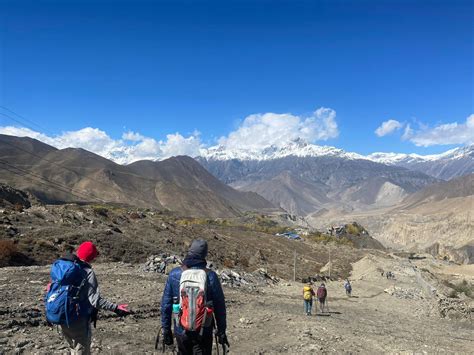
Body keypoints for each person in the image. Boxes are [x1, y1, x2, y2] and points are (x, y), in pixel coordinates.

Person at [46, 241, 130, 355]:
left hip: (60, 315)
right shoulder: (87, 271)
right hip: (77, 319)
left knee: (73, 347)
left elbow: (50, 288)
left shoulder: (61, 267)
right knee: (81, 350)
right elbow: (95, 300)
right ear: (91, 257)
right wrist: (115, 308)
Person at [161, 239, 228, 355]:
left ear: (190, 251)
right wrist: (221, 331)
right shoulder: (210, 276)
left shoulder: (174, 274)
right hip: (203, 330)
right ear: (204, 255)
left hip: (181, 328)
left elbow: (166, 305)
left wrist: (166, 330)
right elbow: (219, 306)